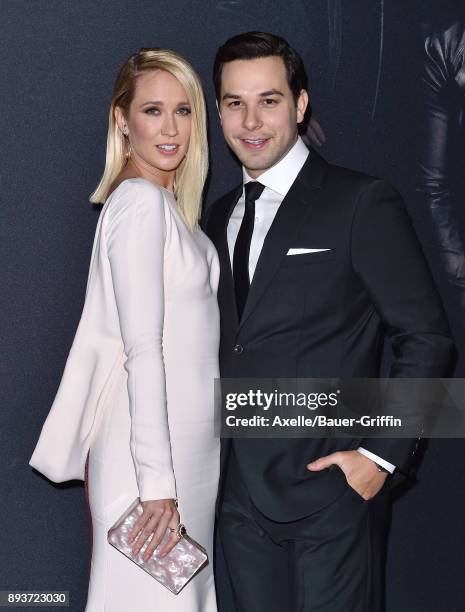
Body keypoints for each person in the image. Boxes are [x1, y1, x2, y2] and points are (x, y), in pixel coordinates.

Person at [202, 32, 455, 611]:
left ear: (300, 103)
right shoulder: (217, 217)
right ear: (218, 112)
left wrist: (381, 458)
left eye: (268, 100)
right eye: (235, 103)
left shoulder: (360, 201)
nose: (251, 120)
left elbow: (428, 339)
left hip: (331, 493)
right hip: (237, 499)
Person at [29, 48, 220, 611]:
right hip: (151, 462)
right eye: (152, 110)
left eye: (183, 112)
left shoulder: (172, 213)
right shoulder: (138, 204)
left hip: (191, 455)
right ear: (122, 120)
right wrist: (157, 483)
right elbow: (142, 349)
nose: (169, 128)